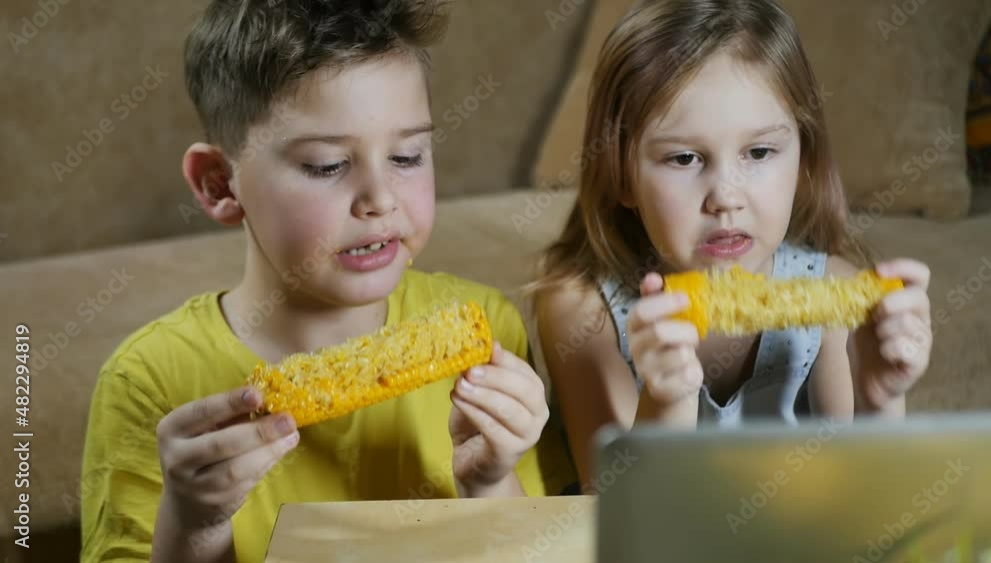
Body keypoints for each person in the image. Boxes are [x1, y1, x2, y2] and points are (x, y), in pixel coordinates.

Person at [80, 1, 576, 561]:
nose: (380, 199)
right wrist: (194, 523)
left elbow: (542, 546)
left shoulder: (491, 332)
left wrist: (488, 481)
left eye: (408, 155)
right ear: (220, 183)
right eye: (326, 166)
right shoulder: (149, 379)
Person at [531, 0, 933, 488]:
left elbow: (868, 512)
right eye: (684, 158)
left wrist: (881, 398)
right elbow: (624, 513)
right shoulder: (579, 311)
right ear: (621, 175)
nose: (725, 198)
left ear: (803, 158)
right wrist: (666, 397)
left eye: (759, 152)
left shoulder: (833, 294)